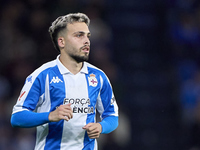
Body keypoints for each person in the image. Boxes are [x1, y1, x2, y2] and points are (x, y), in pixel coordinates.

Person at [10, 13, 119, 150]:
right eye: (79, 35)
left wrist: (101, 126)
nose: (86, 41)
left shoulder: (99, 77)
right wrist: (50, 116)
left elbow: (112, 116)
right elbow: (17, 118)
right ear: (62, 42)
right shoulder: (43, 75)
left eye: (88, 36)